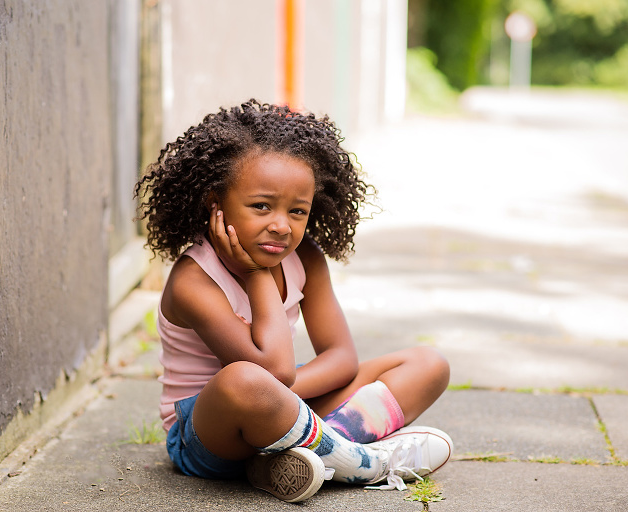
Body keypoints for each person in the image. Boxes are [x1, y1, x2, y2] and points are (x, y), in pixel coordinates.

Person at [135, 99, 453, 503]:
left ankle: (287, 458)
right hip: (209, 433)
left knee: (427, 364)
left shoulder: (307, 260)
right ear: (215, 202)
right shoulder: (193, 280)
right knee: (244, 380)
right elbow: (270, 371)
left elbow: (340, 358)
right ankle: (363, 463)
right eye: (261, 206)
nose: (281, 225)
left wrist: (282, 400)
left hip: (284, 404)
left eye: (298, 211)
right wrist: (256, 275)